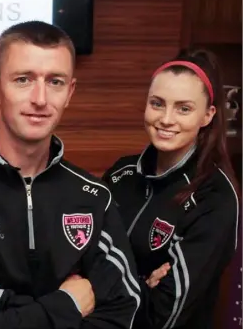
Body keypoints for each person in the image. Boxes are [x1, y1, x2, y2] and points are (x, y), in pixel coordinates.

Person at [0, 20, 140, 329]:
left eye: (55, 82)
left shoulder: (95, 199)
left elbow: (121, 318)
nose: (40, 99)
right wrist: (66, 306)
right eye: (23, 79)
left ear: (70, 91)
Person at [102, 48, 240, 329]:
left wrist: (96, 288)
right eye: (157, 103)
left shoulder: (215, 197)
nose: (166, 119)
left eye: (184, 108)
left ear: (207, 115)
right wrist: (143, 284)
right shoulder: (121, 173)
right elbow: (78, 255)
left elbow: (163, 314)